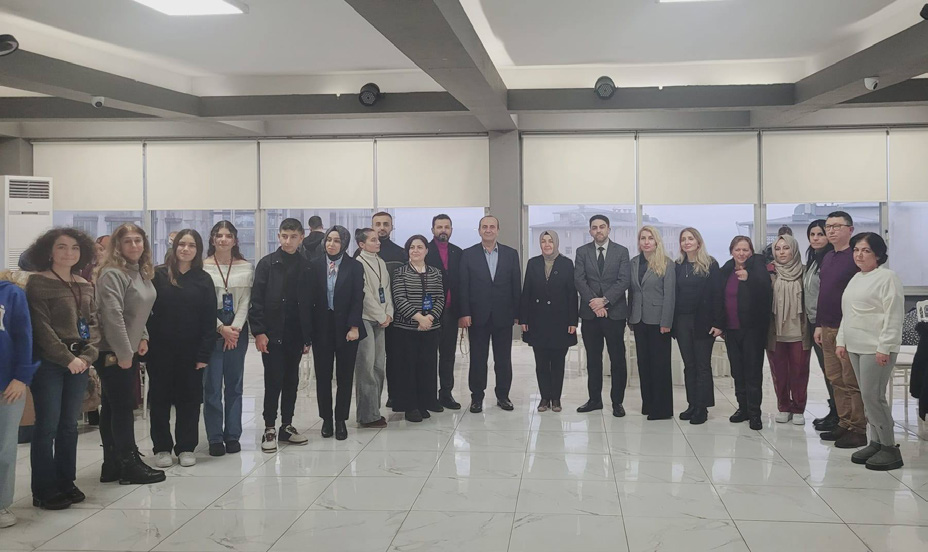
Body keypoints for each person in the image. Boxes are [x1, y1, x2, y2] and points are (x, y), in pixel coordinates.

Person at [25, 229, 100, 510]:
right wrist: (67, 358)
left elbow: (93, 324)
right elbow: (41, 327)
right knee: (47, 426)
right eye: (62, 247)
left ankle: (66, 481)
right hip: (50, 364)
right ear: (49, 251)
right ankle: (44, 489)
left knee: (69, 426)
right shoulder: (38, 283)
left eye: (75, 248)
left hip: (80, 362)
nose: (69, 253)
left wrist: (88, 356)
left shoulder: (85, 284)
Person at [95, 223, 164, 485]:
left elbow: (136, 310)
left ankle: (112, 464)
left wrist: (143, 336)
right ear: (117, 246)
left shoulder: (139, 271)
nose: (134, 245)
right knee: (123, 408)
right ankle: (129, 465)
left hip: (129, 348)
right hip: (113, 351)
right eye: (127, 241)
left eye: (138, 240)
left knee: (112, 407)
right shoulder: (113, 273)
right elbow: (112, 315)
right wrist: (124, 352)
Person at [146, 230, 217, 468]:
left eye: (192, 245)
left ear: (198, 250)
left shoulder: (203, 279)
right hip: (160, 350)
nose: (186, 249)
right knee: (160, 400)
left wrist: (204, 353)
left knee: (190, 400)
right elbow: (146, 313)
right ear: (175, 246)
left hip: (191, 351)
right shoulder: (158, 275)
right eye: (182, 244)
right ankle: (162, 447)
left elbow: (209, 319)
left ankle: (186, 447)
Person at [836, 233, 904, 470]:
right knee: (867, 398)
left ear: (878, 254)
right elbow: (848, 313)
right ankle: (875, 442)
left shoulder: (887, 277)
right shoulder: (856, 278)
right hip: (855, 346)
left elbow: (893, 315)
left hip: (875, 349)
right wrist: (841, 341)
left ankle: (889, 447)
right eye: (856, 250)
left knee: (873, 397)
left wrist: (885, 346)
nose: (859, 255)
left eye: (865, 250)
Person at [250, 218, 311, 453]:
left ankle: (286, 425)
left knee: (291, 381)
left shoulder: (306, 265)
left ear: (301, 238)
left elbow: (309, 304)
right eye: (284, 236)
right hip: (272, 334)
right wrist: (259, 331)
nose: (288, 241)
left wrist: (307, 337)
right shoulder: (267, 264)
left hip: (295, 334)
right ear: (278, 236)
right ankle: (269, 427)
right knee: (273, 380)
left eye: (293, 237)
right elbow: (256, 300)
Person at [301, 225, 366, 441]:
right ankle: (326, 419)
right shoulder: (313, 265)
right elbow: (307, 301)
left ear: (344, 243)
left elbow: (357, 298)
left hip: (347, 328)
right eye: (329, 239)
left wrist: (354, 326)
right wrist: (307, 333)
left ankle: (340, 419)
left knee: (345, 377)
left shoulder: (354, 266)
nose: (331, 244)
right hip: (322, 328)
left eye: (337, 241)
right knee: (323, 376)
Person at [459, 215, 521, 413]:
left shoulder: (511, 254)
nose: (488, 230)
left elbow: (516, 285)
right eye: (484, 227)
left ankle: (503, 396)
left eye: (492, 227)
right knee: (478, 359)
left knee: (503, 360)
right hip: (477, 316)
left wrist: (518, 313)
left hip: (504, 315)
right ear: (479, 230)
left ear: (498, 230)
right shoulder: (468, 254)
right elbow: (463, 286)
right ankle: (477, 397)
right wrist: (464, 313)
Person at [815, 211, 867, 448]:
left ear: (850, 229)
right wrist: (818, 324)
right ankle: (844, 422)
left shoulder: (855, 257)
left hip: (848, 329)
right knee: (835, 378)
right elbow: (824, 293)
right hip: (827, 327)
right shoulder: (828, 257)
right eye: (829, 226)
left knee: (851, 381)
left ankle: (858, 428)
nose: (831, 230)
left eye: (837, 226)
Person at [203, 221, 253, 457]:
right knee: (212, 386)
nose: (223, 239)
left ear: (235, 240)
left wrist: (235, 329)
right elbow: (201, 303)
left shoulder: (246, 267)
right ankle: (214, 437)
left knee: (234, 385)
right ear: (212, 239)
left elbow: (246, 301)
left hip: (237, 327)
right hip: (211, 326)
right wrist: (221, 328)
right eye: (219, 235)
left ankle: (232, 435)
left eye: (228, 235)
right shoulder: (203, 267)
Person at [574, 214, 631, 417]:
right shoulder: (582, 252)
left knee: (617, 359)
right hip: (590, 315)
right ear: (590, 231)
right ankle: (594, 400)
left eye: (602, 226)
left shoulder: (621, 252)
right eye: (594, 227)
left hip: (614, 313)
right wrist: (595, 303)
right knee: (593, 359)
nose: (598, 230)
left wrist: (604, 301)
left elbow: (624, 280)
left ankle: (617, 402)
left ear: (609, 229)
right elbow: (579, 280)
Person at [717, 236, 771, 431]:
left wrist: (749, 279)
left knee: (752, 372)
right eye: (737, 250)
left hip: (752, 330)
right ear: (731, 251)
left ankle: (755, 413)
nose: (741, 253)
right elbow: (719, 298)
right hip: (731, 330)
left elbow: (766, 292)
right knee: (737, 372)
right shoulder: (726, 269)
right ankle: (743, 408)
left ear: (751, 251)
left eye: (745, 250)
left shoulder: (758, 268)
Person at [520, 231, 577, 413]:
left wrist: (573, 321)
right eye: (543, 241)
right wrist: (524, 318)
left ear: (556, 243)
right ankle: (544, 398)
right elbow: (526, 291)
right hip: (537, 320)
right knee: (541, 362)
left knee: (558, 362)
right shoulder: (533, 263)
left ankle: (556, 399)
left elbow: (572, 294)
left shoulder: (566, 264)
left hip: (560, 321)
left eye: (550, 241)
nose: (547, 244)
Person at [391, 235, 445, 422]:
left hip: (430, 328)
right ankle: (410, 406)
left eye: (419, 247)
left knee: (427, 367)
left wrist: (429, 318)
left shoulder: (435, 272)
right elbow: (399, 299)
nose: (415, 250)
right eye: (412, 247)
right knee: (407, 368)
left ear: (426, 250)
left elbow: (440, 298)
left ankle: (424, 403)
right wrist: (419, 318)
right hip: (406, 329)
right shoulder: (400, 272)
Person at [1, 270, 38, 527]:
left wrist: (21, 377)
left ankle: (1, 503)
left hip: (7, 385)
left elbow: (25, 337)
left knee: (4, 448)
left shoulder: (12, 293)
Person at [673, 228, 721, 425]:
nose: (687, 242)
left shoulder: (710, 264)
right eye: (683, 239)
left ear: (698, 242)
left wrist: (718, 323)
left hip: (704, 322)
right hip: (682, 321)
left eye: (690, 238)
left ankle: (702, 408)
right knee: (689, 365)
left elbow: (718, 295)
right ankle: (692, 404)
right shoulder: (677, 266)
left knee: (702, 365)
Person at [629, 226, 676, 421]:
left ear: (657, 241)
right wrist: (630, 318)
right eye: (643, 238)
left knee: (660, 364)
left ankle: (662, 408)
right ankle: (647, 403)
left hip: (659, 321)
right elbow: (632, 292)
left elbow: (670, 295)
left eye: (650, 238)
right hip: (639, 319)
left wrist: (666, 321)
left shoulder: (666, 263)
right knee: (644, 363)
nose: (646, 241)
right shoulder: (633, 262)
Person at [362, 212, 407, 409]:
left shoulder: (400, 253)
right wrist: (380, 314)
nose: (382, 227)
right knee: (372, 362)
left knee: (395, 357)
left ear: (391, 227)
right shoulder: (360, 257)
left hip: (393, 315)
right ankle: (372, 406)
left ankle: (394, 396)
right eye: (378, 224)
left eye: (386, 224)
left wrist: (389, 313)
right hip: (370, 317)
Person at [765, 234, 812, 425]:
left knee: (800, 372)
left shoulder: (805, 272)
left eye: (786, 248)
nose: (782, 252)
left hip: (799, 332)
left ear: (794, 250)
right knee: (779, 373)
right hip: (775, 332)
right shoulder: (769, 272)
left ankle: (799, 408)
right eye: (777, 249)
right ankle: (783, 406)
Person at [354, 228, 393, 428]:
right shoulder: (358, 264)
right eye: (373, 240)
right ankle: (366, 415)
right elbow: (365, 295)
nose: (378, 242)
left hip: (381, 319)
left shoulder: (381, 262)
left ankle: (374, 410)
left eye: (377, 239)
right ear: (361, 244)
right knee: (366, 367)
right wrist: (380, 315)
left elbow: (386, 290)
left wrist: (388, 313)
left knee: (379, 366)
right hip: (365, 319)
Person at [425, 214, 464, 410]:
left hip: (451, 312)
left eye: (446, 227)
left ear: (451, 230)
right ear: (432, 230)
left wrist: (463, 312)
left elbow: (464, 284)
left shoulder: (458, 252)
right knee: (429, 355)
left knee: (448, 355)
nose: (443, 230)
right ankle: (428, 395)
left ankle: (446, 393)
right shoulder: (425, 250)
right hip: (429, 312)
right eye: (439, 227)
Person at [804, 220, 837, 431]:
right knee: (827, 370)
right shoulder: (814, 260)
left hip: (824, 323)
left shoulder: (830, 259)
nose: (816, 238)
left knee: (833, 371)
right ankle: (834, 410)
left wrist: (819, 323)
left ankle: (840, 415)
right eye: (812, 234)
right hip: (812, 322)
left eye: (820, 234)